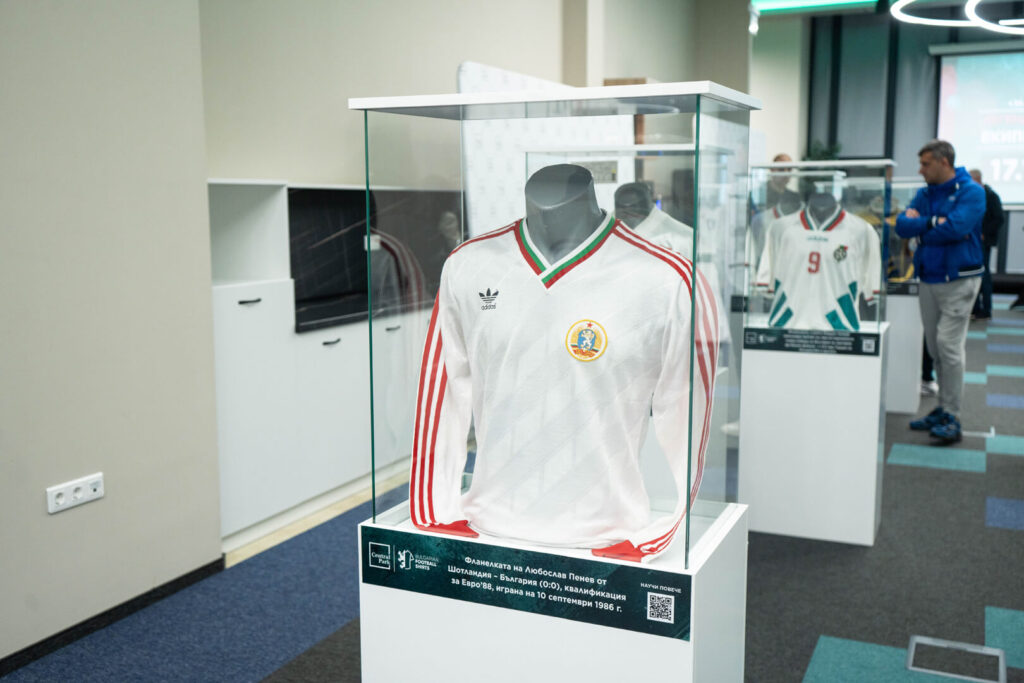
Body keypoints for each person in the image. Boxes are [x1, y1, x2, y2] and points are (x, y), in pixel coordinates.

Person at [896, 140, 986, 444]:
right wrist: (933, 222)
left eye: (925, 164)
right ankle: (942, 408)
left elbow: (957, 228)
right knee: (935, 348)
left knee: (949, 346)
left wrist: (921, 230)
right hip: (929, 278)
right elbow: (901, 227)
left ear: (943, 162)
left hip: (959, 280)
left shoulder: (971, 192)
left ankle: (953, 416)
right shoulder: (925, 193)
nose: (920, 170)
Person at [968, 168, 1005, 319]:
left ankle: (986, 309)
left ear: (977, 180)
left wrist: (984, 234)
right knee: (973, 274)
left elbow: (999, 218)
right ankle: (975, 308)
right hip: (972, 240)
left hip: (984, 242)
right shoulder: (971, 196)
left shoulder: (991, 196)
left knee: (984, 275)